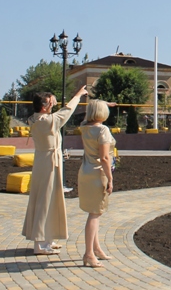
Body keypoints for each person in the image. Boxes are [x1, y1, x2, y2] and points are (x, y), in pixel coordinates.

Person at [22, 86, 88, 255]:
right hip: (48, 163)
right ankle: (40, 244)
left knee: (51, 199)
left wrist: (50, 101)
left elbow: (58, 113)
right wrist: (78, 95)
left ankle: (47, 239)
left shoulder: (37, 118)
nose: (54, 103)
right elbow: (67, 111)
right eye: (51, 101)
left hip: (46, 160)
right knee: (45, 200)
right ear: (44, 106)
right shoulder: (46, 121)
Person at [78, 99, 116, 268]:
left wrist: (102, 103)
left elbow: (89, 116)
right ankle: (88, 254)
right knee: (95, 213)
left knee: (95, 212)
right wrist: (110, 178)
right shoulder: (103, 130)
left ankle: (96, 248)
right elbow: (105, 157)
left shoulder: (84, 127)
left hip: (85, 171)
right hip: (98, 173)